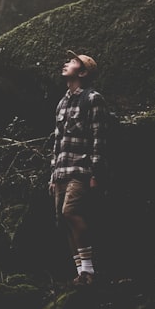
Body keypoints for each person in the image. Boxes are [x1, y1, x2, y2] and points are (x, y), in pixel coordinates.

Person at [49, 50, 109, 286]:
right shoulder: (62, 102)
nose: (66, 64)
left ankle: (89, 270)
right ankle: (80, 273)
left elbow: (99, 138)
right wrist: (53, 175)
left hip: (81, 170)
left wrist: (96, 173)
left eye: (72, 62)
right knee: (63, 221)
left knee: (70, 213)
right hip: (61, 172)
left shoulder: (93, 99)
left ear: (83, 72)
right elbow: (57, 142)